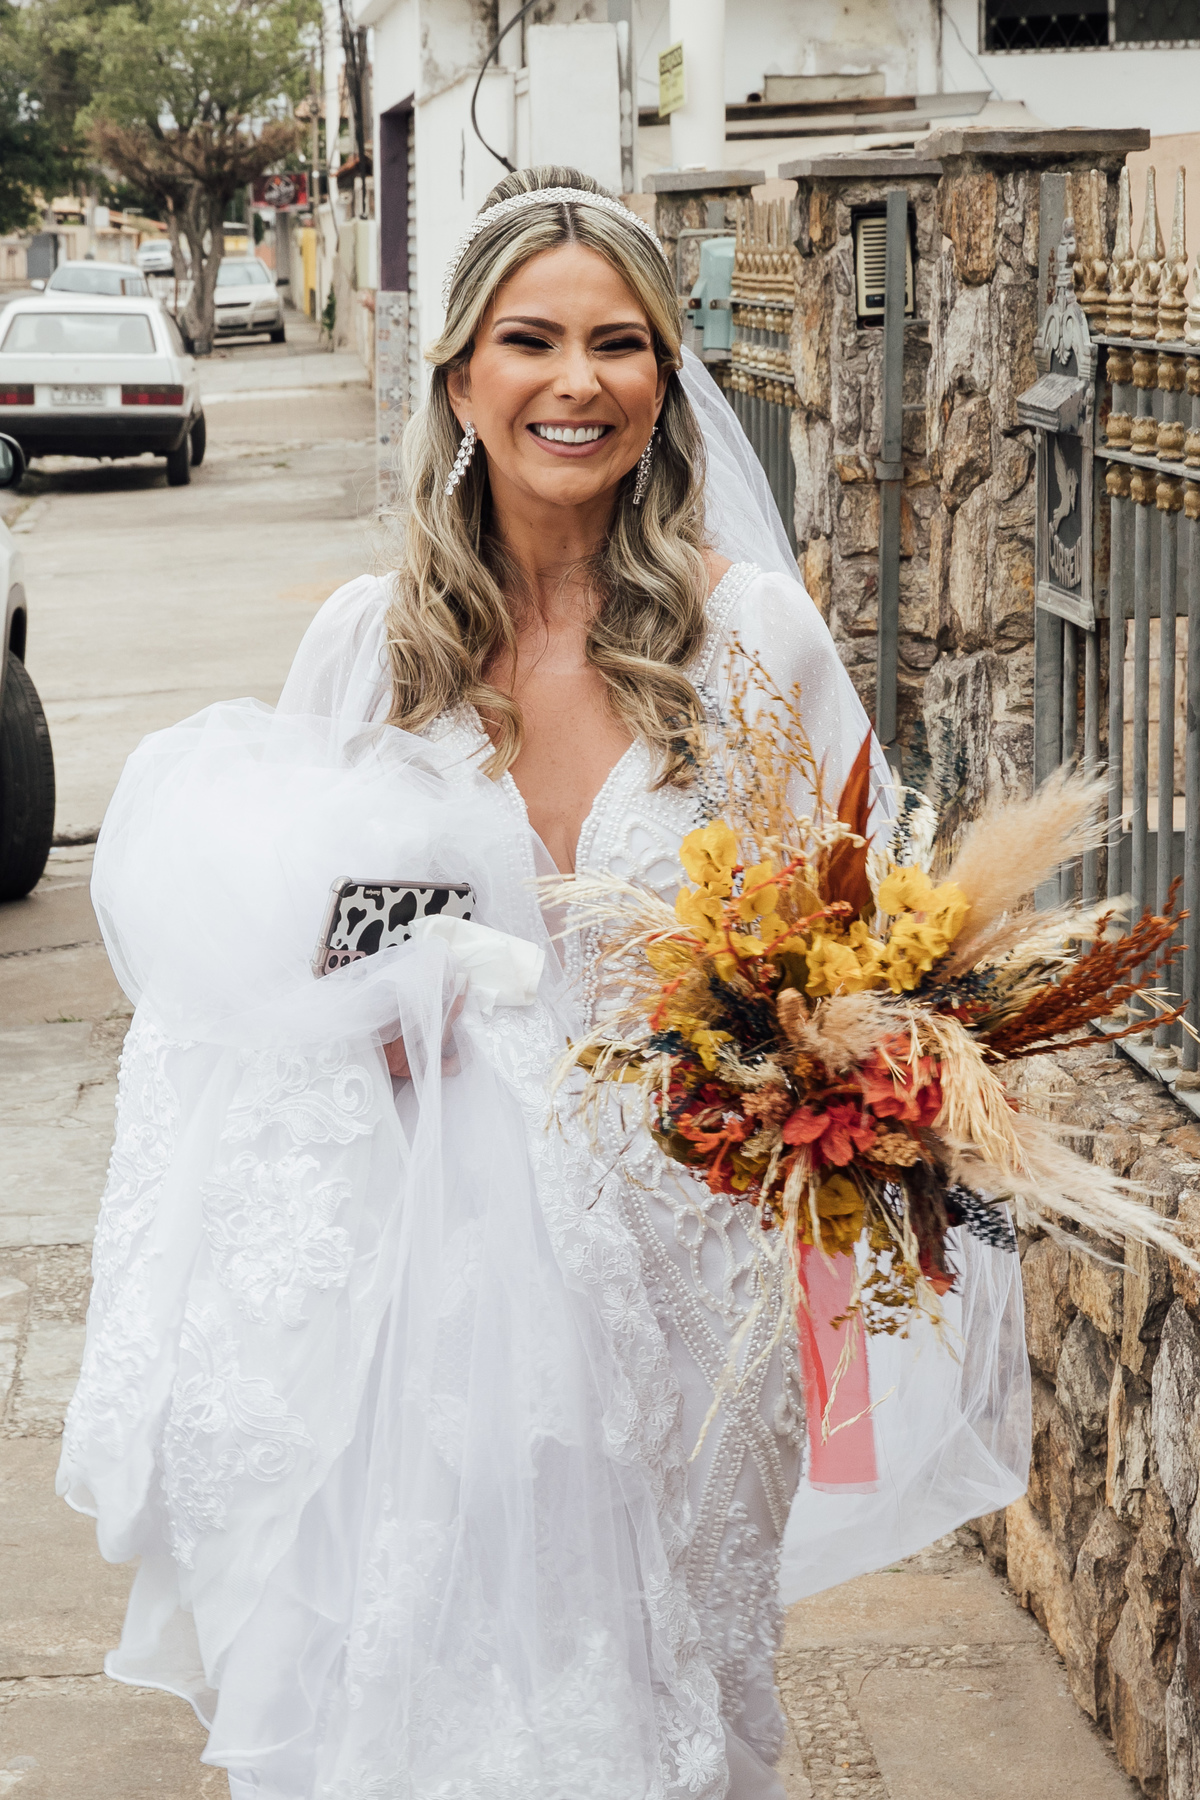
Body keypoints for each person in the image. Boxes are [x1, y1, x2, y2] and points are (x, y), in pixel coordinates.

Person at [58, 167, 1028, 1800]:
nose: (577, 381)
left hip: (691, 1269)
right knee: (450, 1678)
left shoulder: (758, 642)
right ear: (460, 379)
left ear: (664, 380)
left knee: (679, 1676)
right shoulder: (371, 646)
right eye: (531, 340)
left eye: (618, 343)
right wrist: (379, 1002)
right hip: (438, 1266)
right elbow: (294, 953)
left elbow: (864, 941)